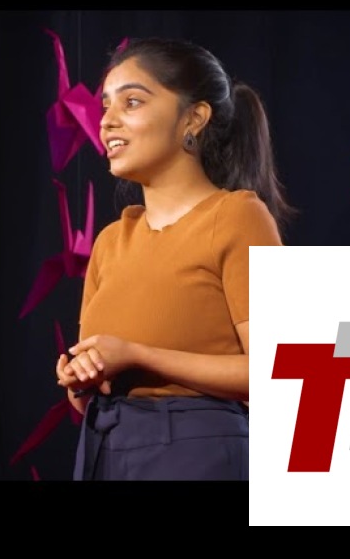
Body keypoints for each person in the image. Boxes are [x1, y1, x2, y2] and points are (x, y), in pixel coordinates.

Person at [54, 36, 293, 480]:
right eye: (105, 106)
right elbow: (88, 390)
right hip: (103, 449)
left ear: (194, 117)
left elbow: (283, 371)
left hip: (197, 451)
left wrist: (138, 355)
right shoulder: (110, 241)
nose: (107, 121)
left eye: (131, 102)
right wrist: (80, 377)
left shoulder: (237, 215)